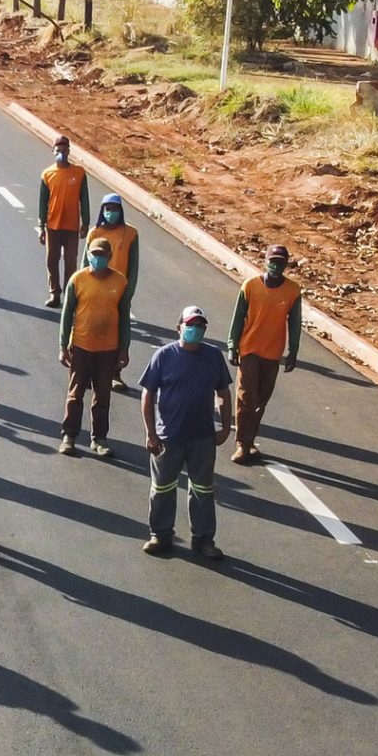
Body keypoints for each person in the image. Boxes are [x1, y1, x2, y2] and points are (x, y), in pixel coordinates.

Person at [139, 306, 234, 560]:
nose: (195, 330)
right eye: (190, 325)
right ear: (179, 327)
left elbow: (223, 393)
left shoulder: (213, 356)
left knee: (203, 491)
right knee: (162, 489)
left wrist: (225, 427)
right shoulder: (163, 356)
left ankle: (203, 540)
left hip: (202, 438)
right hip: (168, 437)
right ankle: (160, 534)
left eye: (200, 326)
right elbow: (147, 394)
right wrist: (150, 432)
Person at [228, 243, 304, 464]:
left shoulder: (292, 291)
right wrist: (232, 345)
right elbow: (238, 317)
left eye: (280, 263)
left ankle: (251, 440)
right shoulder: (250, 286)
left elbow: (296, 323)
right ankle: (241, 443)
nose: (276, 266)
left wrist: (293, 351)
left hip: (273, 352)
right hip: (249, 348)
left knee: (262, 399)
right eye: (272, 262)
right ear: (265, 262)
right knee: (246, 397)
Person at [59, 237, 132, 457]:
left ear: (109, 257)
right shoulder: (78, 279)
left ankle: (99, 438)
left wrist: (124, 348)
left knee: (103, 396)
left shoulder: (120, 282)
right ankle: (69, 436)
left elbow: (124, 318)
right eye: (94, 254)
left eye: (102, 255)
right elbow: (67, 314)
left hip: (108, 349)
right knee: (75, 394)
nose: (97, 258)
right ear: (88, 254)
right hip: (81, 346)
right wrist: (63, 345)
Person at [87, 192, 140, 388]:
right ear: (102, 211)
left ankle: (115, 373)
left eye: (115, 209)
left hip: (119, 293)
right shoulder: (95, 234)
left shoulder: (131, 234)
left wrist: (128, 293)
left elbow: (133, 267)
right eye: (108, 209)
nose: (112, 212)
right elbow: (86, 265)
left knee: (118, 333)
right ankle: (91, 370)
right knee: (93, 328)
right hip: (95, 290)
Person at [37, 135, 90, 307]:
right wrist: (41, 226)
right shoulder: (47, 174)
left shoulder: (79, 173)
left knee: (70, 262)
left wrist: (86, 222)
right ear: (53, 151)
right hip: (53, 226)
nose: (61, 153)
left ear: (69, 151)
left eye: (64, 149)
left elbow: (84, 199)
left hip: (72, 226)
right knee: (51, 261)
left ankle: (69, 294)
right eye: (58, 150)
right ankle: (55, 293)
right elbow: (42, 203)